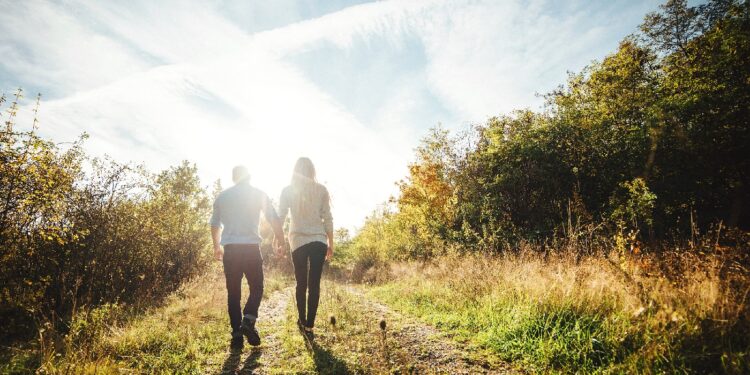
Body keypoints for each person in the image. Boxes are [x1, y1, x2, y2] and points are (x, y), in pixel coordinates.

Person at [210, 165, 284, 350]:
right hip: (251, 248)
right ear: (249, 177)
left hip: (231, 249)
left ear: (234, 178)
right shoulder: (258, 194)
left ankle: (236, 336)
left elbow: (214, 224)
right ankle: (249, 320)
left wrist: (216, 246)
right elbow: (273, 218)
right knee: (257, 287)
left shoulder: (223, 196)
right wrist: (280, 239)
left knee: (233, 293)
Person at [278, 157, 333, 339]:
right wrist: (331, 243)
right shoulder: (321, 190)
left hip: (298, 240)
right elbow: (328, 218)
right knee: (314, 283)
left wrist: (277, 239)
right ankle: (310, 325)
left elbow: (281, 216)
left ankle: (302, 321)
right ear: (312, 170)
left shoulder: (287, 191)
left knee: (301, 283)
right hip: (318, 240)